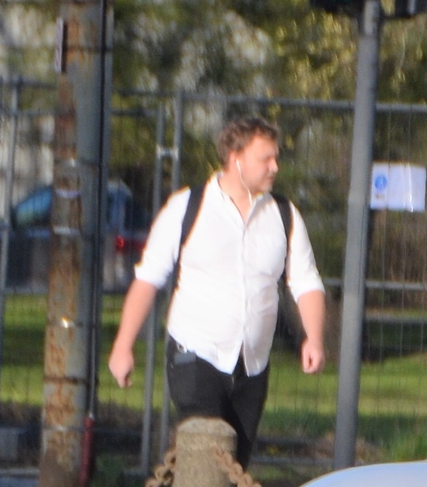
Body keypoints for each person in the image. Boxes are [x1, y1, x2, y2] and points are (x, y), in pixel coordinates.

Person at [107, 114, 326, 463]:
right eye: (265, 159)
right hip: (196, 354)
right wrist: (123, 347)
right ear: (235, 159)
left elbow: (306, 281)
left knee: (235, 469)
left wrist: (313, 338)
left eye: (276, 158)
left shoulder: (284, 214)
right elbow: (148, 279)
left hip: (252, 364)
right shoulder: (187, 207)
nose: (275, 167)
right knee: (206, 462)